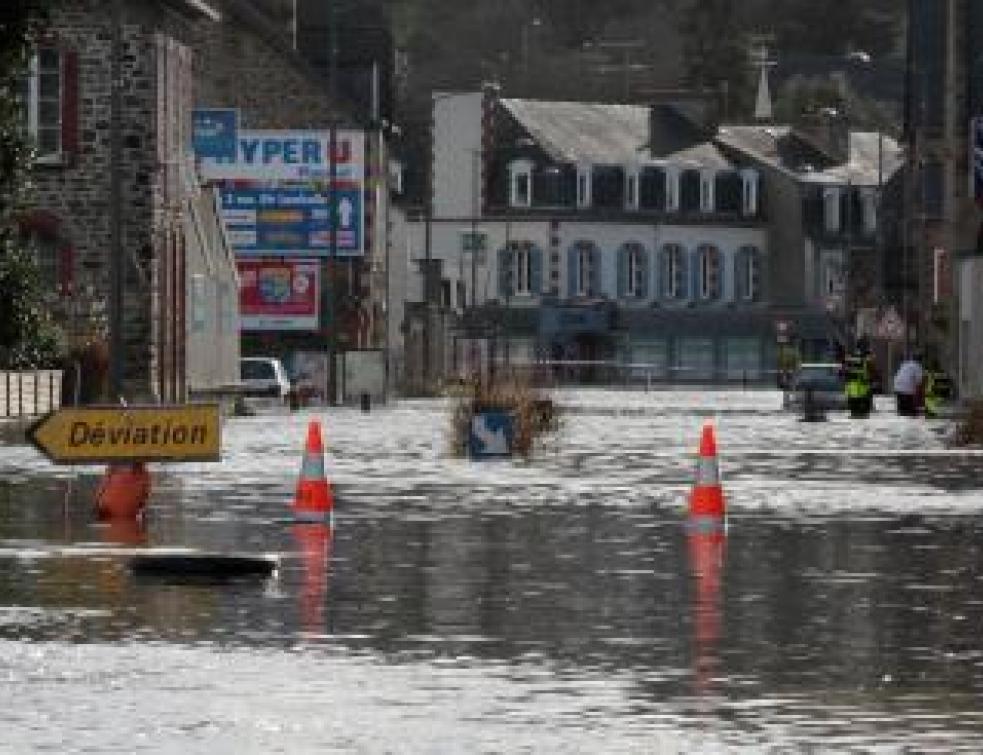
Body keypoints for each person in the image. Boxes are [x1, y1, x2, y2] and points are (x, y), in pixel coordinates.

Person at [893, 353, 924, 417]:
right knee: (910, 411)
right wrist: (920, 397)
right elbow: (919, 383)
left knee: (902, 409)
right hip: (907, 390)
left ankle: (902, 417)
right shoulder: (918, 367)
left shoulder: (905, 364)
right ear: (920, 360)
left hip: (897, 387)